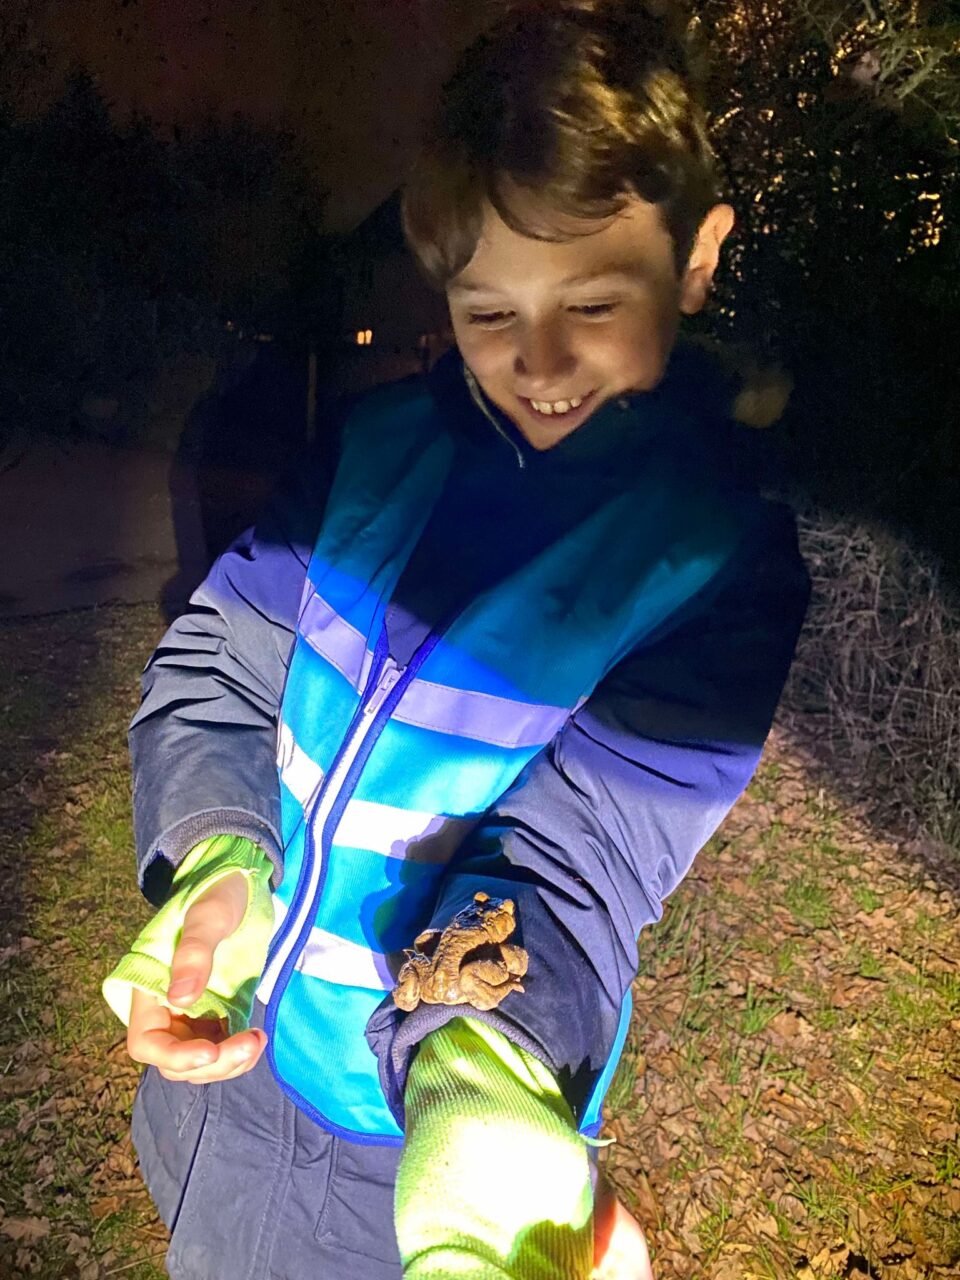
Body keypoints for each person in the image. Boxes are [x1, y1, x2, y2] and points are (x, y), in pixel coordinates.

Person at [102, 2, 810, 1277]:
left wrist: (479, 1099)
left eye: (593, 301)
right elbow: (217, 666)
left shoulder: (716, 569)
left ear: (697, 258)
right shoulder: (362, 459)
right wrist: (213, 867)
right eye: (491, 314)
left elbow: (584, 853)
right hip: (229, 1098)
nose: (539, 363)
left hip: (408, 1158)